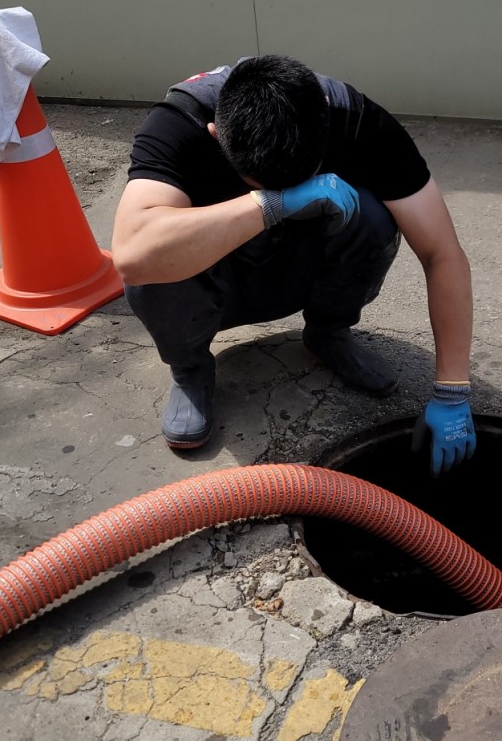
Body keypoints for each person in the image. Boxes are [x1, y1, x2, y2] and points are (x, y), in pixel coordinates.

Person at [110, 54, 476, 475]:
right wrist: (273, 204)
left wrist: (452, 391)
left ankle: (329, 332)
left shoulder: (356, 120)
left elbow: (442, 252)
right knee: (154, 258)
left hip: (299, 265)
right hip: (214, 280)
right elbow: (132, 256)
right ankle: (190, 367)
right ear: (216, 134)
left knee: (375, 214)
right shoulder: (182, 121)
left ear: (326, 129)